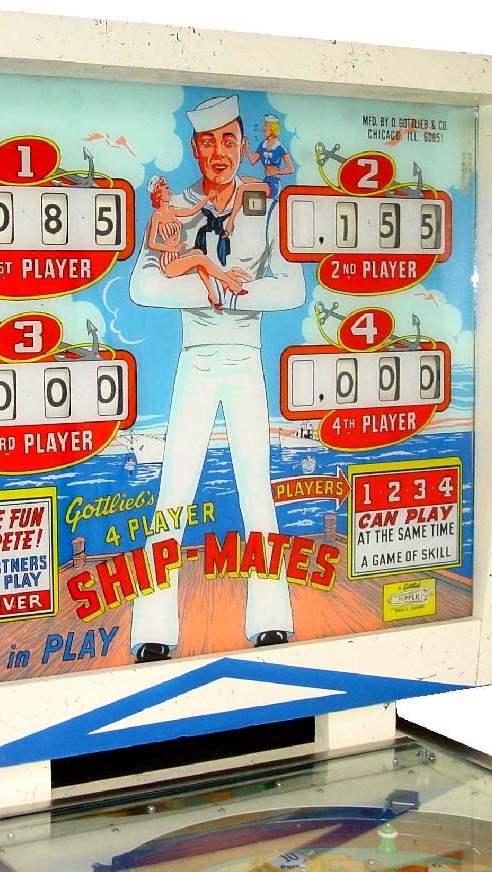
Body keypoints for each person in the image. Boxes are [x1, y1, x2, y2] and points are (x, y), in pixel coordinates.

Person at [129, 95, 306, 663]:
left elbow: (292, 288)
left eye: (229, 140)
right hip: (197, 359)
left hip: (245, 360)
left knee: (258, 489)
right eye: (208, 142)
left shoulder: (264, 206)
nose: (220, 152)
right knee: (174, 490)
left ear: (243, 145)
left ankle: (271, 620)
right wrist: (211, 285)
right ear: (195, 148)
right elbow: (144, 285)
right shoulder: (176, 208)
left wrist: (230, 295)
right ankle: (153, 630)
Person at [145, 174, 246, 311]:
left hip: (176, 258)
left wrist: (208, 197)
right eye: (166, 188)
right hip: (168, 264)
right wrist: (171, 249)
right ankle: (231, 284)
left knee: (198, 252)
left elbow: (192, 211)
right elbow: (151, 243)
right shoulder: (157, 215)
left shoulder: (172, 211)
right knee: (200, 259)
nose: (169, 191)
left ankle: (212, 294)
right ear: (158, 194)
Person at [245, 113, 294, 199]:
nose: (263, 128)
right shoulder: (263, 145)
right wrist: (246, 147)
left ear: (272, 129)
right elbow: (252, 161)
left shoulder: (279, 147)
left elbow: (291, 169)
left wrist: (277, 172)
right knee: (244, 179)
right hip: (265, 181)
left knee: (245, 188)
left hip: (274, 185)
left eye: (266, 126)